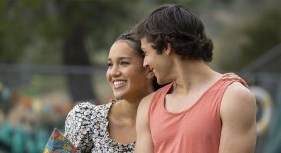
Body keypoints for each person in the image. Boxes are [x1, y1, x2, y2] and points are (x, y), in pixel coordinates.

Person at [63, 30, 248, 152]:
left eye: (124, 63)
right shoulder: (84, 117)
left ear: (149, 66)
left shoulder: (173, 122)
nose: (113, 73)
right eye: (110, 64)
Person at [134, 4, 256, 153]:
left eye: (146, 53)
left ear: (166, 47)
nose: (145, 63)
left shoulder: (233, 97)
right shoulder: (148, 106)